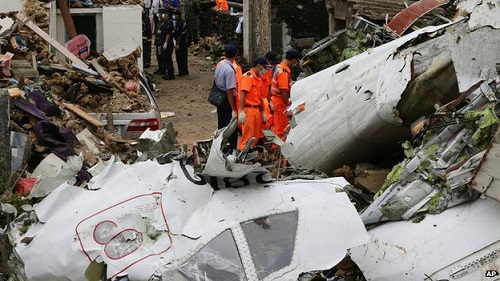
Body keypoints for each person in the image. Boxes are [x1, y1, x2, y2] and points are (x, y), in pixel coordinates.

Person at [238, 57, 268, 151]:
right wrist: (242, 110)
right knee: (248, 135)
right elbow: (243, 94)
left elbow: (259, 97)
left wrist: (263, 111)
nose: (265, 70)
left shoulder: (258, 79)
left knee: (255, 136)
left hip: (256, 110)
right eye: (264, 67)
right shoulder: (248, 77)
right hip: (248, 110)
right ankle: (244, 154)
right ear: (258, 66)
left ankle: (251, 154)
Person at [270, 48, 301, 141]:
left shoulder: (279, 67)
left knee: (278, 126)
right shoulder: (283, 72)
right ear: (294, 60)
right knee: (281, 128)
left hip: (276, 100)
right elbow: (283, 90)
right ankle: (278, 150)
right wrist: (288, 107)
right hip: (280, 102)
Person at [214, 44, 238, 151]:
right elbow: (229, 90)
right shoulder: (230, 70)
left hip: (219, 97)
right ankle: (230, 149)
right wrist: (233, 109)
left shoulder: (220, 65)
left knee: (221, 124)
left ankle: (220, 147)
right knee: (231, 127)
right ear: (236, 55)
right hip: (226, 100)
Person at [160, 10, 176, 80]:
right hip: (165, 41)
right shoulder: (165, 22)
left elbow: (168, 33)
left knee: (168, 58)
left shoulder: (170, 22)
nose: (164, 15)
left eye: (166, 13)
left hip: (168, 43)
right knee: (165, 58)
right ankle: (168, 73)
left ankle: (170, 74)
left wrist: (166, 43)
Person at [173, 10, 189, 76]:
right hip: (184, 41)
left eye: (176, 15)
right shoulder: (182, 22)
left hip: (181, 42)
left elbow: (179, 35)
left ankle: (182, 71)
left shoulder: (179, 23)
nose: (175, 16)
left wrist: (177, 44)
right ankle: (185, 70)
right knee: (184, 57)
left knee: (180, 57)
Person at [153, 9, 168, 74]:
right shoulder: (159, 21)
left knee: (162, 56)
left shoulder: (164, 22)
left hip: (161, 42)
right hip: (158, 41)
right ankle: (160, 68)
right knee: (158, 55)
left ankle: (163, 69)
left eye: (160, 13)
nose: (159, 14)